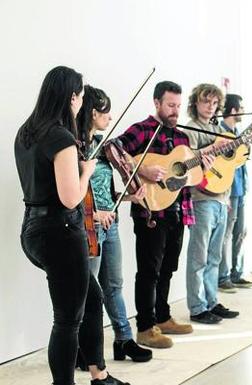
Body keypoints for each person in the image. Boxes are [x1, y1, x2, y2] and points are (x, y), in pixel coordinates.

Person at [15, 66, 129, 385]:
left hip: (33, 230)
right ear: (72, 97)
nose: (80, 102)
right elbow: (70, 198)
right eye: (79, 95)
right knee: (67, 320)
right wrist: (87, 171)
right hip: (60, 232)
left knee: (92, 298)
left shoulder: (27, 131)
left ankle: (99, 374)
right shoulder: (61, 136)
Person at [116, 81, 207, 348]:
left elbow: (188, 176)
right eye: (170, 105)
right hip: (150, 212)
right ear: (156, 103)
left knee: (168, 268)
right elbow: (114, 149)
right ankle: (145, 327)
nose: (175, 111)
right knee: (149, 271)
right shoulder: (141, 130)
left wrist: (202, 164)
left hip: (177, 211)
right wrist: (141, 169)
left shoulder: (182, 138)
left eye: (178, 106)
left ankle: (162, 317)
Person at [75, 85, 152, 363]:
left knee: (114, 285)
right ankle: (83, 349)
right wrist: (95, 215)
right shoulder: (76, 148)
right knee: (88, 291)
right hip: (88, 227)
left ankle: (124, 340)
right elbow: (71, 195)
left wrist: (131, 196)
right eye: (105, 112)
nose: (110, 117)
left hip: (111, 224)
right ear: (93, 112)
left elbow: (107, 193)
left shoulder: (103, 146)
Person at [184, 83, 240, 324]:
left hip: (220, 200)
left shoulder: (219, 129)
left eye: (215, 103)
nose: (210, 106)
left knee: (215, 256)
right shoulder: (190, 129)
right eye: (206, 101)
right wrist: (212, 147)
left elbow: (226, 166)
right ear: (195, 102)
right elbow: (185, 161)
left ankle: (212, 301)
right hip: (201, 200)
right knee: (198, 257)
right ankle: (197, 307)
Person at [218, 94, 252, 288]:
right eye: (241, 107)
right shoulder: (220, 133)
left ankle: (237, 272)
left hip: (241, 189)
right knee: (226, 233)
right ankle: (223, 275)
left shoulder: (238, 132)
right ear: (233, 110)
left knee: (241, 231)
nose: (243, 110)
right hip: (228, 190)